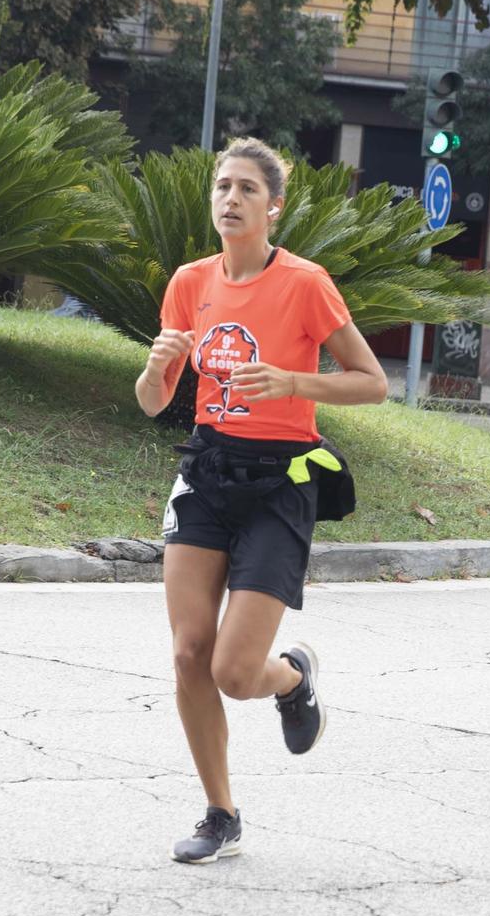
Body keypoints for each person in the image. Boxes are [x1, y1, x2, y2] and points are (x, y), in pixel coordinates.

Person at [134, 137, 387, 864]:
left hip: (281, 480)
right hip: (207, 469)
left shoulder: (306, 283)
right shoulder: (190, 282)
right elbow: (153, 403)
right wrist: (154, 371)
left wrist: (293, 382)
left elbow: (372, 380)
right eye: (222, 185)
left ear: (273, 206)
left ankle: (292, 677)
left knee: (235, 672)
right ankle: (221, 812)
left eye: (247, 188)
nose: (230, 198)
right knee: (189, 652)